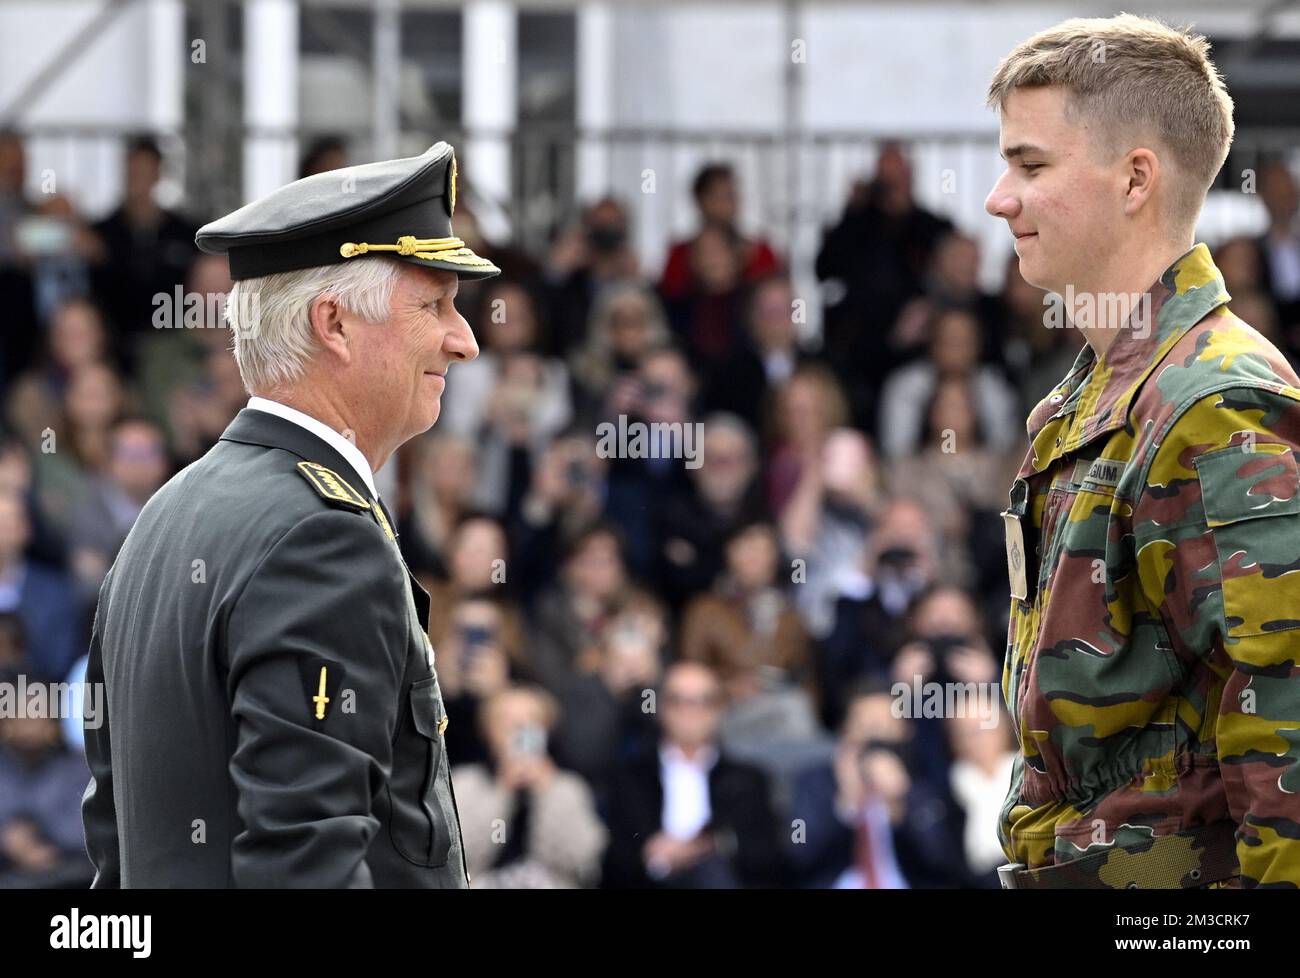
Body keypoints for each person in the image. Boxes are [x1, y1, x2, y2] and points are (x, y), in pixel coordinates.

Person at [82, 141, 502, 888]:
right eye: (434, 304)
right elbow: (308, 866)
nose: (463, 341)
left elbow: (115, 859)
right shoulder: (322, 534)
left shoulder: (168, 512)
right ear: (333, 324)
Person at [985, 14, 1300, 888]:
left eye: (1030, 165)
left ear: (1135, 179)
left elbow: (1285, 709)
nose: (998, 197)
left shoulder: (1213, 399)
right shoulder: (1097, 397)